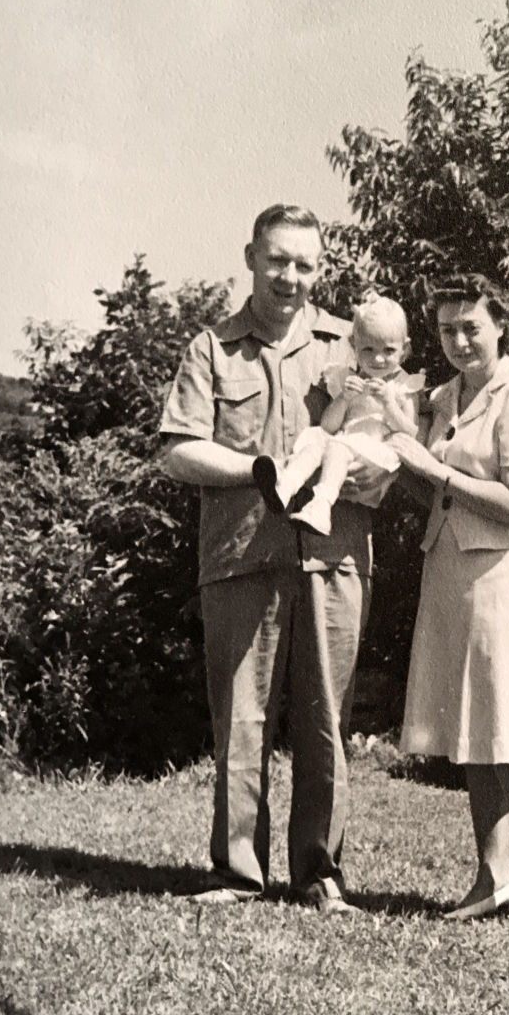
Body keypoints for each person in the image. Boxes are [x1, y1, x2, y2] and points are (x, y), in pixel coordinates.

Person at [159, 203, 377, 915]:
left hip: (334, 558)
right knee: (242, 720)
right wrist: (256, 469)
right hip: (241, 556)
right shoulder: (211, 349)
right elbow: (177, 450)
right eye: (278, 259)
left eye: (306, 264)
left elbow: (387, 443)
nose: (291, 277)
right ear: (250, 256)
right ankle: (237, 872)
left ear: (321, 270)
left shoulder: (348, 348)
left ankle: (319, 873)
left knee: (324, 720)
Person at [391, 273, 509, 934]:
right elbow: (437, 496)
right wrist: (405, 464)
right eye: (447, 329)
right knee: (474, 732)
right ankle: (492, 878)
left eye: (472, 325)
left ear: (500, 324)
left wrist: (434, 468)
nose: (460, 339)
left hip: (507, 575)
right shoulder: (440, 397)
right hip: (448, 569)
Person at [251, 293, 424, 536]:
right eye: (368, 349)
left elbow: (410, 434)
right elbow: (328, 427)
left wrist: (389, 403)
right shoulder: (347, 379)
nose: (377, 358)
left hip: (375, 460)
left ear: (404, 350)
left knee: (337, 447)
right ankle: (285, 484)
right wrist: (343, 398)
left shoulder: (403, 386)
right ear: (354, 346)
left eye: (389, 350)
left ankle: (321, 508)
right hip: (343, 448)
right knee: (316, 440)